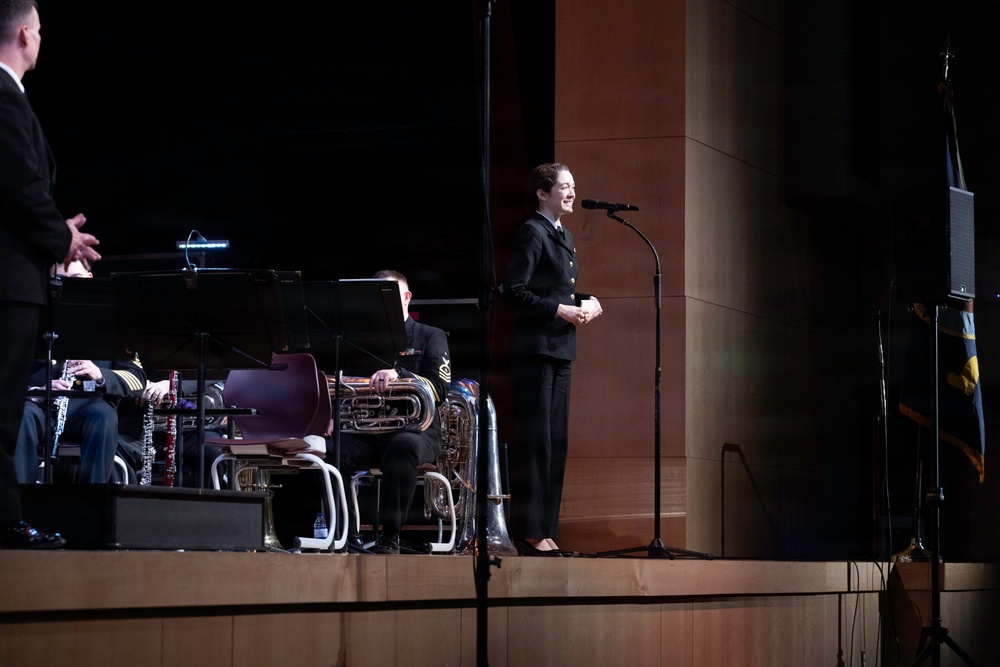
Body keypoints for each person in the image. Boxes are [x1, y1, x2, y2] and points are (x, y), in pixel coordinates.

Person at [0, 0, 101, 548]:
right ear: (22, 34)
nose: (41, 38)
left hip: (17, 272)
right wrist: (62, 238)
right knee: (2, 412)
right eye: (38, 30)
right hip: (8, 282)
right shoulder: (2, 93)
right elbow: (19, 186)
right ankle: (6, 523)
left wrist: (57, 233)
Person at [501, 163, 602, 556]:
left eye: (573, 186)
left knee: (556, 442)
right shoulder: (532, 231)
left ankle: (546, 528)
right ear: (543, 193)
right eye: (564, 186)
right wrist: (559, 311)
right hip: (536, 350)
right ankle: (529, 529)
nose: (572, 193)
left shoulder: (564, 234)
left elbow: (558, 289)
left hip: (560, 348)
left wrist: (586, 303)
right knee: (536, 442)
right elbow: (515, 290)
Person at [334, 270, 451, 554]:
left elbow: (439, 388)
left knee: (402, 447)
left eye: (388, 296)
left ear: (406, 298)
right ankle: (346, 535)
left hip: (416, 432)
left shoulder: (429, 336)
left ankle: (391, 536)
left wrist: (400, 375)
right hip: (367, 433)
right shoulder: (358, 340)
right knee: (330, 449)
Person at [15, 262, 145, 485]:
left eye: (75, 276)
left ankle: (91, 503)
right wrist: (35, 391)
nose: (68, 284)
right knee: (22, 415)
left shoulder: (111, 322)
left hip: (87, 408)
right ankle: (22, 505)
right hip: (39, 405)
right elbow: (10, 371)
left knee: (104, 415)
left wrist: (100, 374)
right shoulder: (28, 318)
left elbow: (137, 378)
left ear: (90, 277)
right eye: (61, 278)